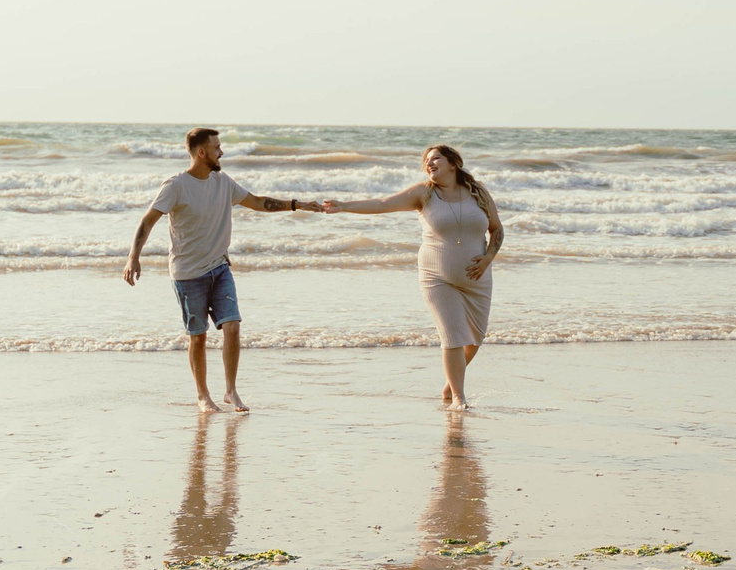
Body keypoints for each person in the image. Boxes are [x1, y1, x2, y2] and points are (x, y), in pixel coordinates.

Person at [123, 128, 315, 413]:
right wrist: (132, 257)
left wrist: (297, 205)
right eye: (217, 147)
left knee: (233, 326)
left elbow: (259, 202)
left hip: (219, 268)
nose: (221, 152)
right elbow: (147, 221)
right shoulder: (175, 186)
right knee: (198, 336)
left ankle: (231, 391)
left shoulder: (223, 182)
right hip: (187, 273)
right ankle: (203, 396)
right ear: (201, 153)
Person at [320, 144, 504, 407]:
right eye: (426, 161)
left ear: (453, 164)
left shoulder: (478, 192)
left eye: (436, 158)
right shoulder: (424, 193)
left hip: (477, 278)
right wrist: (344, 205)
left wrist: (488, 258)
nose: (429, 163)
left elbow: (497, 230)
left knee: (475, 339)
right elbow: (383, 204)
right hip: (437, 276)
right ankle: (459, 398)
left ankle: (449, 387)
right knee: (453, 336)